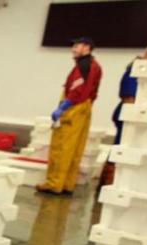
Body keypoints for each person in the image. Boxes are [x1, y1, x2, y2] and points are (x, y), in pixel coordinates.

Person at [35, 37, 103, 196]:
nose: (73, 48)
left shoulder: (84, 65)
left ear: (87, 47)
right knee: (75, 148)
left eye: (77, 45)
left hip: (73, 108)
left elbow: (77, 89)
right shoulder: (95, 65)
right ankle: (67, 183)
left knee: (62, 146)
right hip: (84, 108)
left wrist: (64, 106)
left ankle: (54, 183)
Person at [98, 41, 147, 191]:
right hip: (128, 116)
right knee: (121, 147)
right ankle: (108, 182)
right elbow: (129, 99)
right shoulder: (135, 70)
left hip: (141, 118)